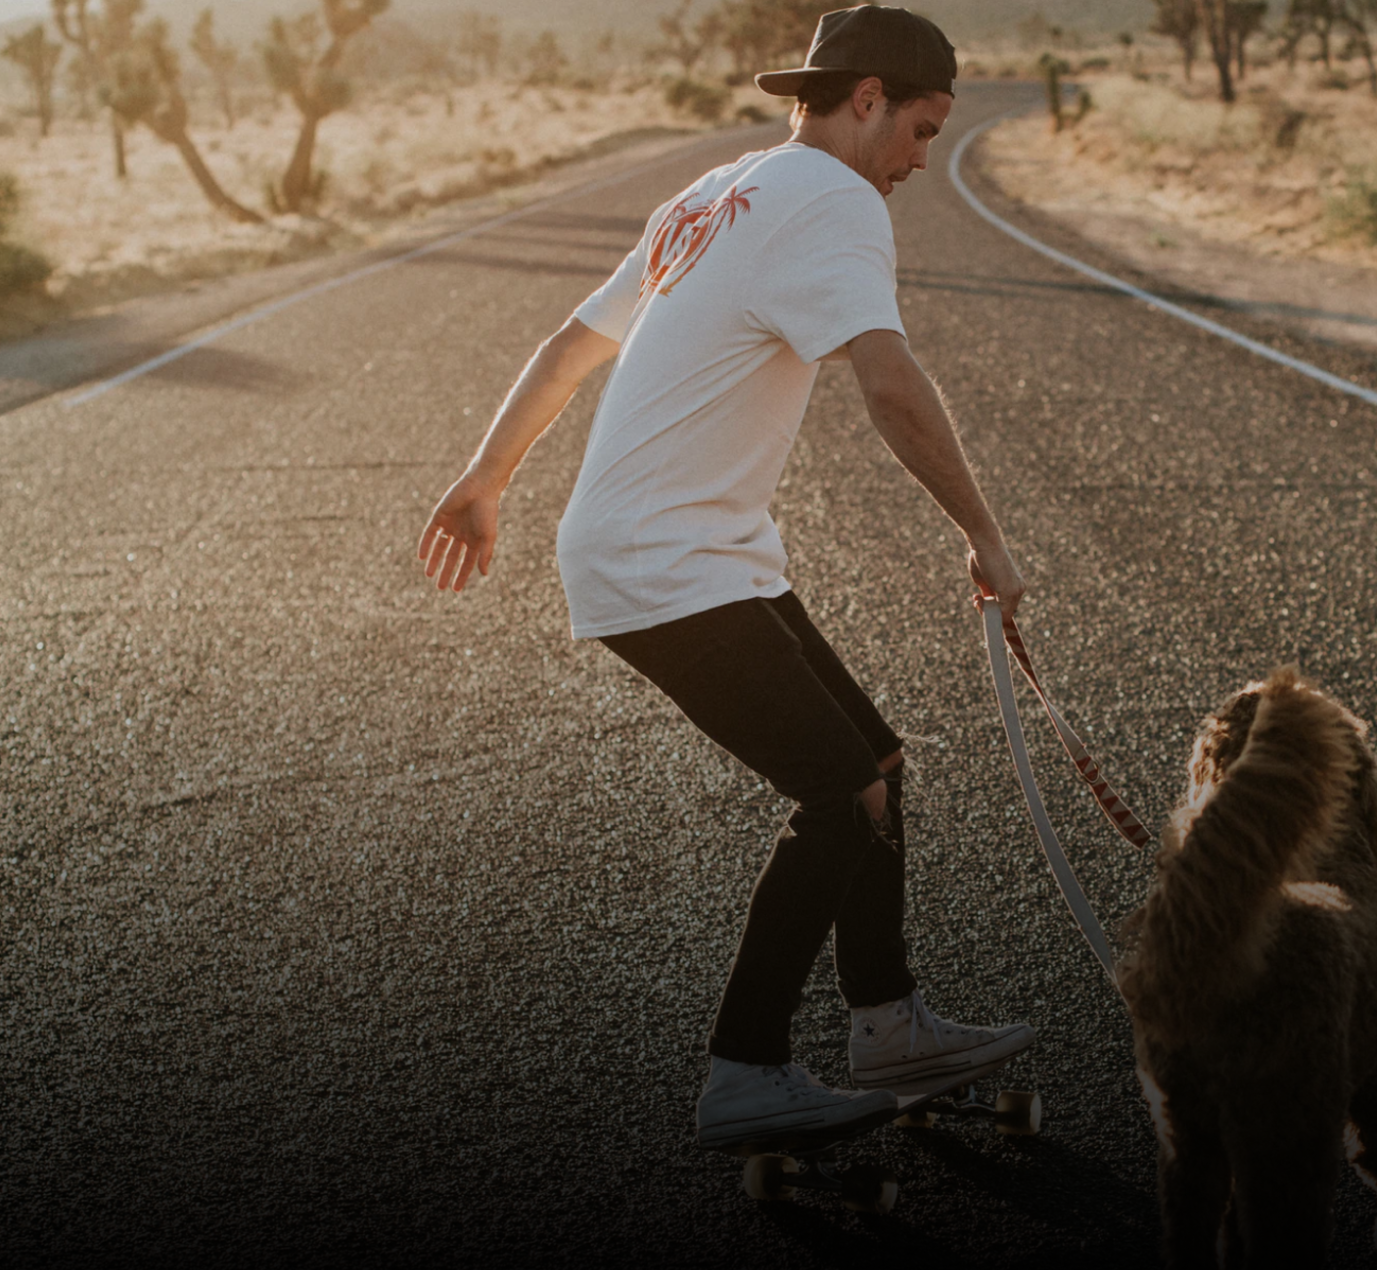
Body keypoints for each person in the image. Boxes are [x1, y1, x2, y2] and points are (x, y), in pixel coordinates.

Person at [414, 5, 1033, 1148]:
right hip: (668, 560)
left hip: (697, 548)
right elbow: (888, 382)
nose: (922, 159)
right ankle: (744, 1068)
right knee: (840, 796)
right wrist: (984, 533)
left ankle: (888, 1023)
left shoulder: (720, 188)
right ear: (865, 100)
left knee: (878, 768)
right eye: (923, 128)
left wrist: (486, 476)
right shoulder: (838, 201)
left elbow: (574, 339)